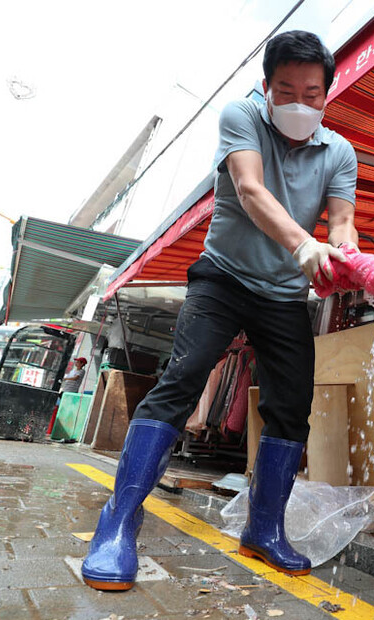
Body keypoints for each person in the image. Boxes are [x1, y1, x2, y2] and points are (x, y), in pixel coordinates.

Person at [82, 30, 358, 591]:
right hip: (223, 278)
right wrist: (304, 245)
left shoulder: (341, 153)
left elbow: (343, 223)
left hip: (283, 296)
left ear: (328, 95)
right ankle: (118, 524)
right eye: (287, 90)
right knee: (181, 382)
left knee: (291, 407)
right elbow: (250, 189)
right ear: (266, 86)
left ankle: (264, 528)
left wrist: (345, 257)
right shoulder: (242, 117)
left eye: (313, 93)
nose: (300, 103)